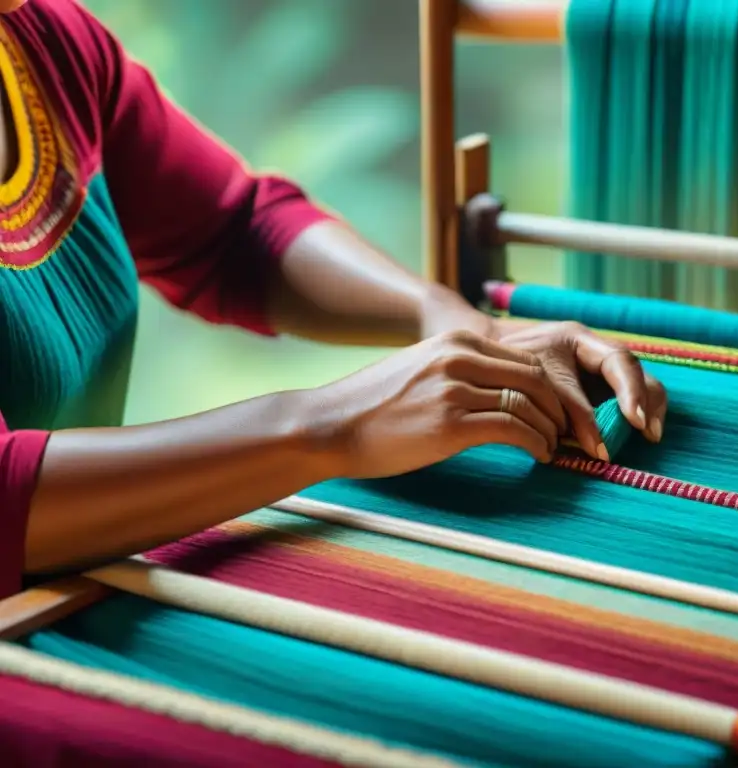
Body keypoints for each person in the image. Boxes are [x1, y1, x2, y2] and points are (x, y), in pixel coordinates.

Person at [0, 0, 667, 600]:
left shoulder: (43, 42)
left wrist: (452, 323)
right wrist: (331, 427)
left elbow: (234, 231)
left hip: (69, 602)